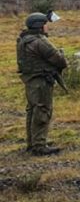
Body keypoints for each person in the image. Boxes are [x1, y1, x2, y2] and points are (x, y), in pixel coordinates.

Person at [16, 12, 67, 156]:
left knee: (32, 110)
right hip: (41, 80)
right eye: (45, 24)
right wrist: (61, 55)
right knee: (43, 110)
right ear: (40, 26)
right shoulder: (40, 41)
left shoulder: (23, 39)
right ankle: (39, 146)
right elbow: (60, 61)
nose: (47, 27)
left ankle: (32, 143)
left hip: (30, 79)